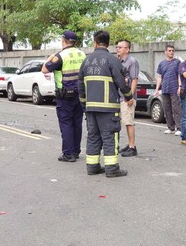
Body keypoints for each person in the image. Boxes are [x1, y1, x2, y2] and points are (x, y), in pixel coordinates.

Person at [78, 30, 133, 178]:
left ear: (95, 43)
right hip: (108, 108)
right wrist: (128, 96)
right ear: (108, 44)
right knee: (109, 136)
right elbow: (121, 82)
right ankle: (112, 168)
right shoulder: (112, 60)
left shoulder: (86, 61)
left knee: (93, 136)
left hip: (91, 108)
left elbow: (80, 86)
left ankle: (92, 167)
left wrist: (84, 105)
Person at [41, 30, 86, 162]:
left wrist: (50, 57)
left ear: (63, 40)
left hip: (65, 95)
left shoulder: (60, 56)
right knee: (77, 123)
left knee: (66, 123)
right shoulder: (82, 54)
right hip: (80, 93)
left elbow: (44, 69)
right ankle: (76, 151)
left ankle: (68, 153)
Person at [116, 39, 139, 157]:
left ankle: (132, 147)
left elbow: (134, 79)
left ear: (127, 49)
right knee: (123, 121)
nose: (117, 49)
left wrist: (130, 96)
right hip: (119, 97)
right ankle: (128, 144)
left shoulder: (132, 61)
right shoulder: (118, 61)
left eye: (120, 47)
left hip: (127, 98)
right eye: (117, 47)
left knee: (128, 122)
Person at [155, 45, 181, 136]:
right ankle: (170, 127)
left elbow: (179, 75)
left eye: (173, 51)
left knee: (176, 108)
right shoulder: (161, 63)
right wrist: (157, 89)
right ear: (165, 52)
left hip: (174, 88)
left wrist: (180, 86)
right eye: (169, 51)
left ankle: (179, 128)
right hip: (165, 88)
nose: (171, 52)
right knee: (167, 109)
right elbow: (159, 77)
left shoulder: (177, 62)